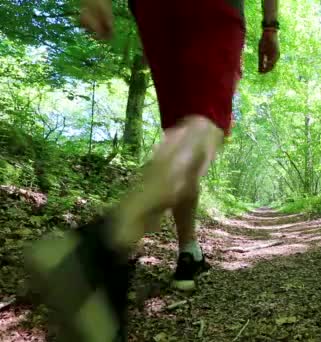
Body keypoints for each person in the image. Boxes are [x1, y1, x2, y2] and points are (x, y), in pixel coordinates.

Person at [24, 0, 280, 340]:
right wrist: (270, 26)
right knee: (207, 124)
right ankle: (99, 245)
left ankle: (188, 250)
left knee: (182, 133)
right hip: (213, 9)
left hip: (153, 10)